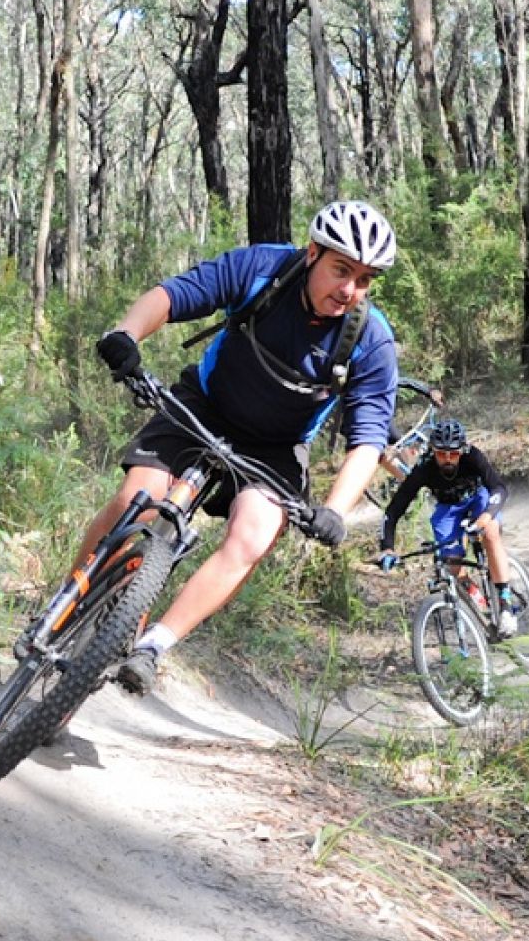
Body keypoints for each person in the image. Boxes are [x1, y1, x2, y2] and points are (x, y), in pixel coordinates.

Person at [85, 200, 402, 695]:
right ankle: (71, 592)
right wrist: (126, 333)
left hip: (276, 448)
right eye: (342, 270)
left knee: (254, 534)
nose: (350, 290)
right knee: (136, 502)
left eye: (364, 280)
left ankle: (153, 647)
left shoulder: (370, 339)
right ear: (313, 252)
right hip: (205, 405)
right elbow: (176, 295)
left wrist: (336, 510)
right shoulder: (261, 269)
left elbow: (368, 436)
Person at [377, 418, 521, 637]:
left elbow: (499, 488)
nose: (447, 459)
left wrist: (485, 517)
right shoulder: (424, 468)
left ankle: (505, 602)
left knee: (490, 533)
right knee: (450, 564)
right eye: (441, 453)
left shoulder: (473, 456)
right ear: (432, 450)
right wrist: (387, 547)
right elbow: (394, 510)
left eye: (453, 453)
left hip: (478, 499)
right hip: (447, 508)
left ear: (461, 450)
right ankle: (475, 595)